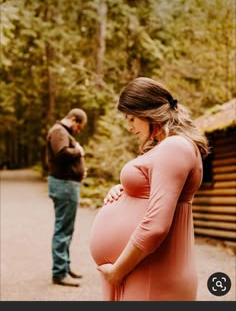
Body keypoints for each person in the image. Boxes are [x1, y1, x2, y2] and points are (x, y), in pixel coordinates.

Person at [89, 77, 209, 301]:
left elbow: (155, 226)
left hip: (152, 272)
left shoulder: (175, 146)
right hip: (141, 270)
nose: (129, 127)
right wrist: (123, 190)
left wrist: (117, 271)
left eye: (132, 118)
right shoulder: (166, 148)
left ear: (149, 113)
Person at [46, 108, 88, 287]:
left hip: (67, 185)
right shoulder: (58, 131)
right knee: (63, 229)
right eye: (79, 126)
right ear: (73, 119)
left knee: (67, 229)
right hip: (64, 186)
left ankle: (65, 266)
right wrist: (79, 151)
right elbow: (61, 154)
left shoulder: (62, 132)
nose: (78, 130)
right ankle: (59, 273)